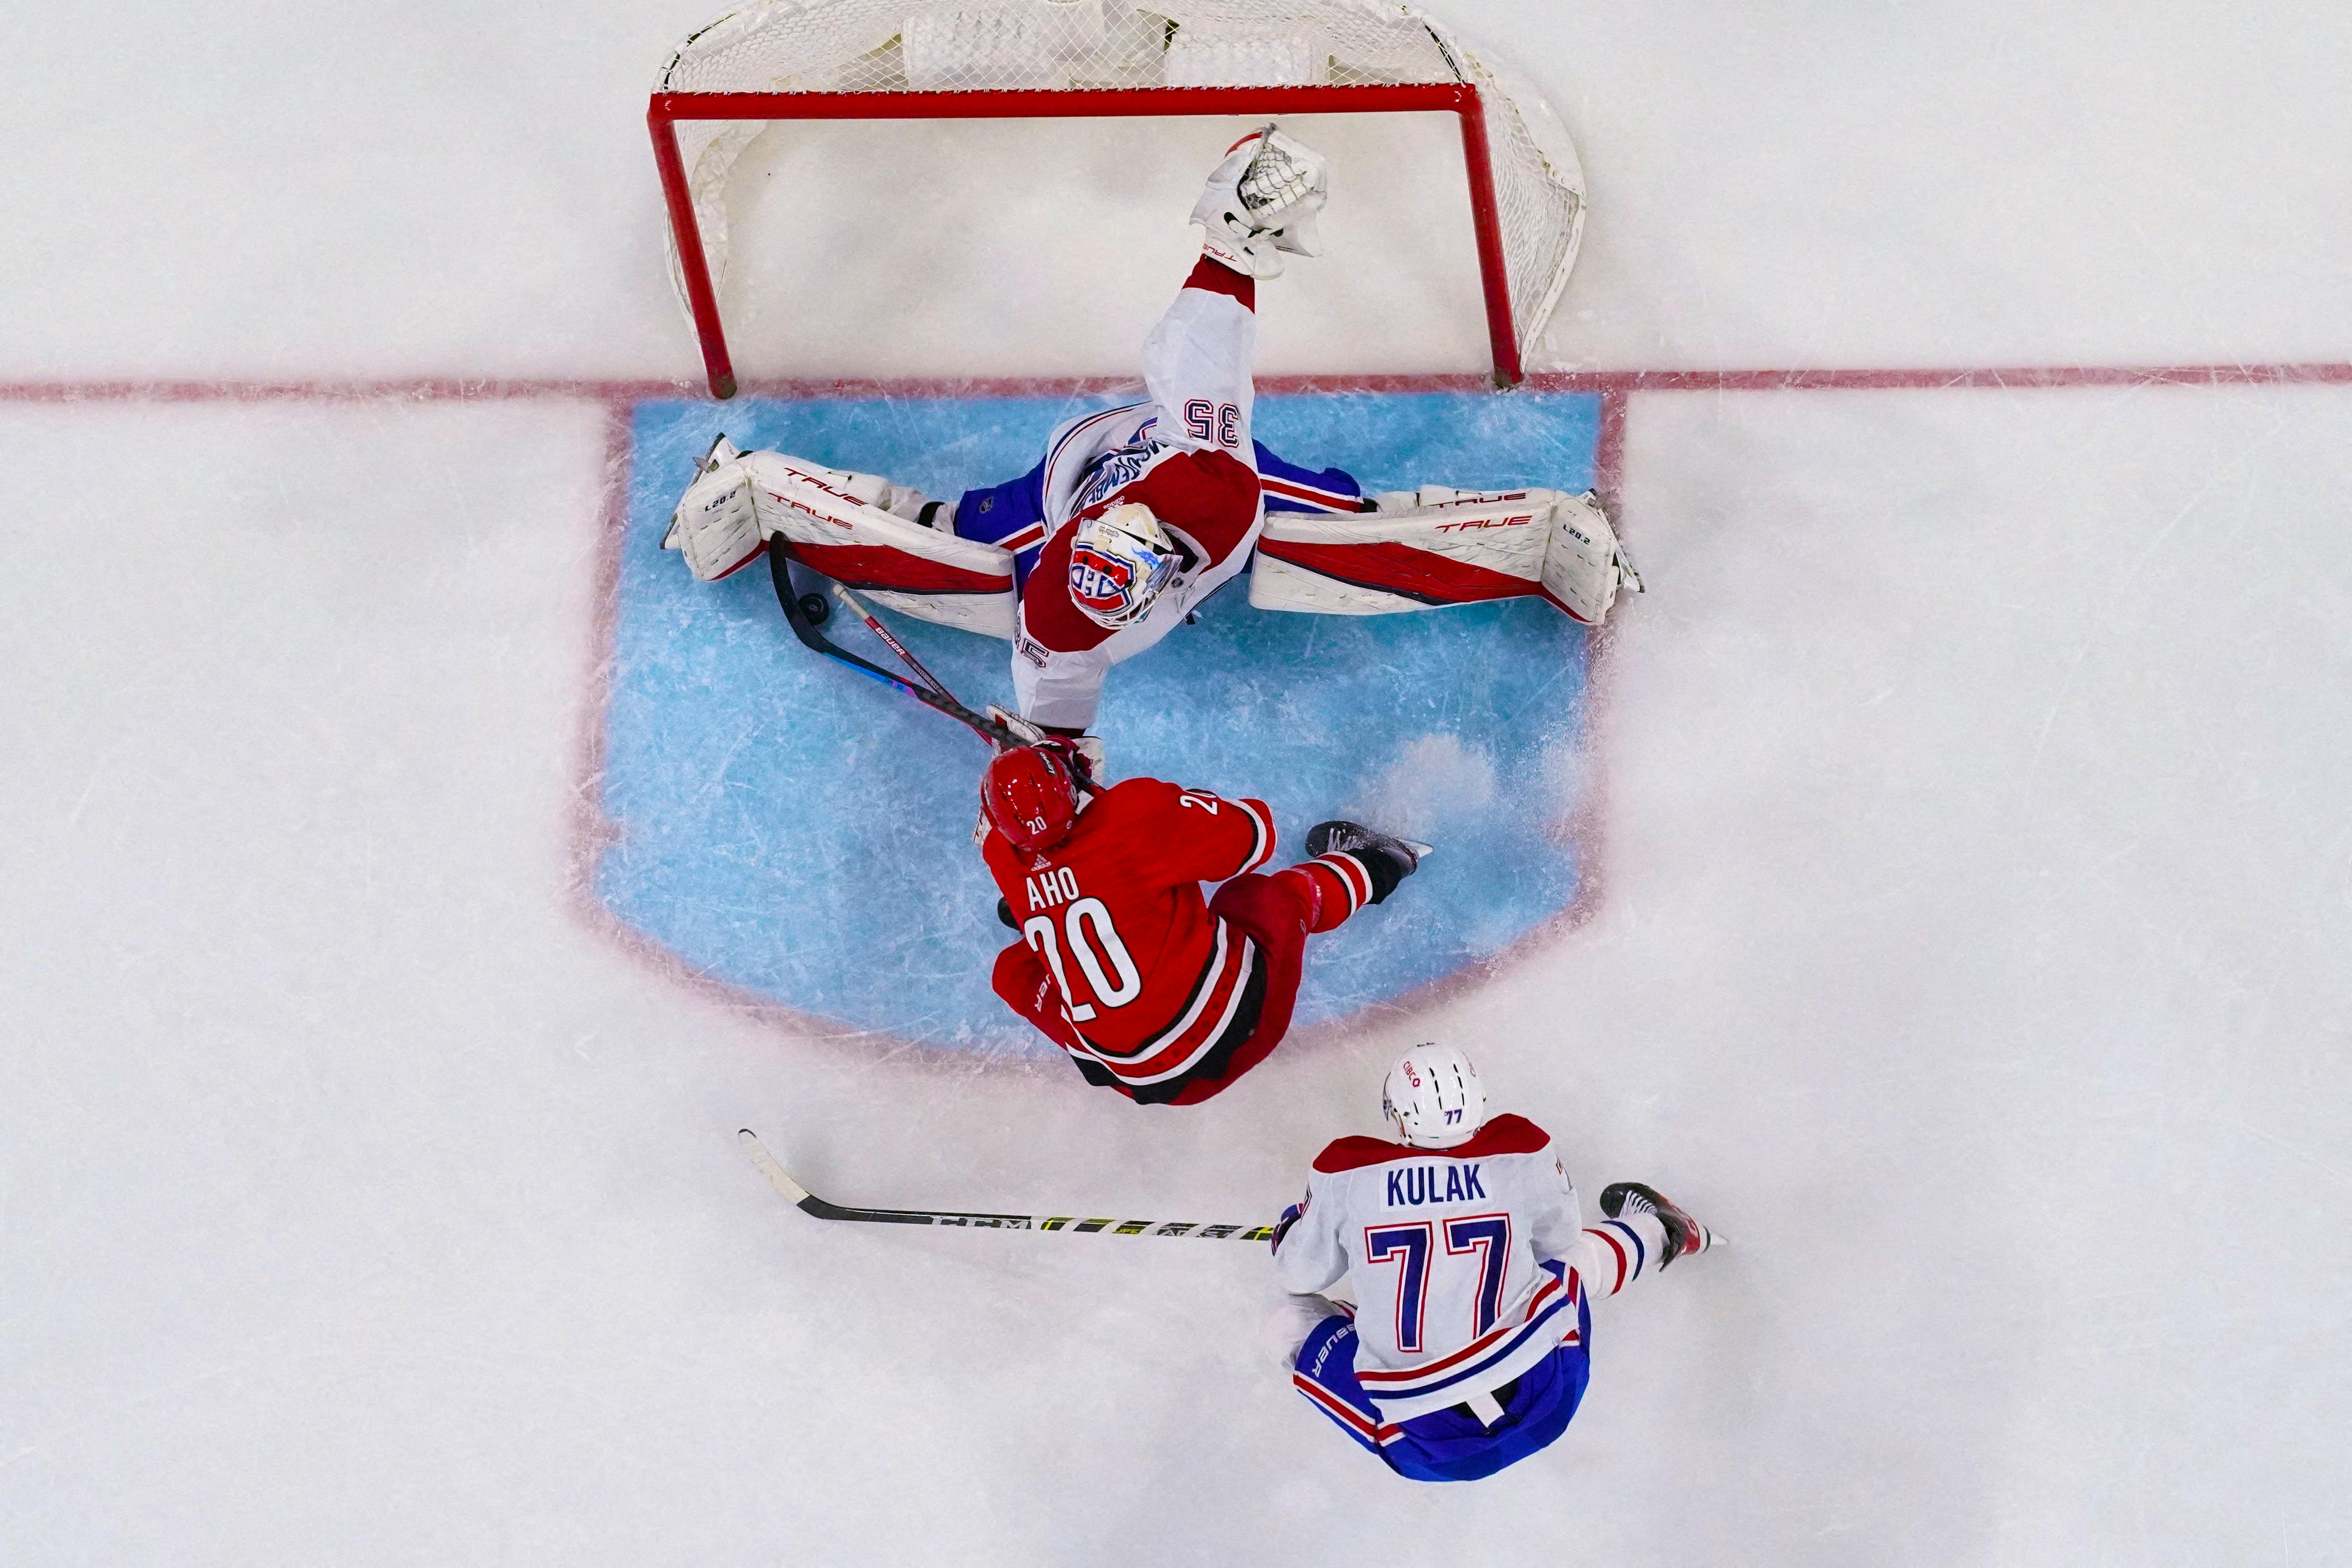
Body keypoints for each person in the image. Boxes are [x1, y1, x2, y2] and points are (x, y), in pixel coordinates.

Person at [660, 128, 1640, 763]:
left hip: (1162, 464)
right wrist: (1056, 752)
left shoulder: (1203, 488)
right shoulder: (1057, 606)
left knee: (1351, 532)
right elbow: (1051, 679)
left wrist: (1231, 243)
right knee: (941, 545)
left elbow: (1195, 355)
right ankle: (755, 492)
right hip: (1066, 486)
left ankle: (1550, 537)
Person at [1269, 1044, 1718, 1482]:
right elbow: (1557, 1239)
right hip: (1548, 1395)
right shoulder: (1520, 1147)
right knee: (1568, 1265)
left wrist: (1295, 1228)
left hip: (1430, 1448)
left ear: (1399, 1113)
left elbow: (1298, 1273)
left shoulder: (1346, 1171)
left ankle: (1349, 1328)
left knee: (1287, 1323)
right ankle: (1663, 1231)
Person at [976, 740, 1426, 1105]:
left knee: (1012, 972)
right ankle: (1382, 862)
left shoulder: (1000, 855)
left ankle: (1041, 913)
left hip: (1134, 1079)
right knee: (1259, 898)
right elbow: (1257, 835)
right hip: (1234, 1034)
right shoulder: (1133, 815)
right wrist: (1158, 808)